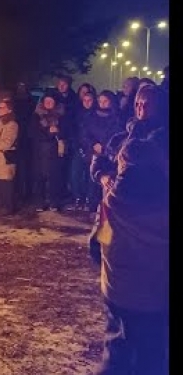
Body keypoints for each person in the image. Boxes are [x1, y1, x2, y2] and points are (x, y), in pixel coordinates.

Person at [91, 85, 168, 375]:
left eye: (148, 104)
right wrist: (103, 175)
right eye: (138, 102)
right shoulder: (124, 136)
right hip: (148, 294)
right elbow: (100, 163)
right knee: (147, 355)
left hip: (125, 290)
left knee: (126, 354)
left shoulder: (161, 139)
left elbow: (98, 242)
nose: (141, 108)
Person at [29, 91, 68, 212]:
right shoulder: (37, 116)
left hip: (55, 151)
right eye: (46, 101)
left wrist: (58, 131)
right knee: (39, 176)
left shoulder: (62, 116)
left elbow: (68, 131)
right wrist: (47, 132)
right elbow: (32, 132)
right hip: (40, 150)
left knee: (55, 176)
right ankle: (40, 201)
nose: (49, 103)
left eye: (51, 101)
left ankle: (54, 201)